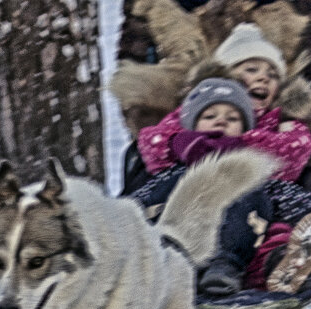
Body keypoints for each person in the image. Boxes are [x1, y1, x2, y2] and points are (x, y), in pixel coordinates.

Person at [131, 24, 311, 294]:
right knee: (172, 189)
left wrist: (236, 148)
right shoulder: (186, 123)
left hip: (250, 223)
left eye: (272, 74)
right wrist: (186, 145)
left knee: (262, 210)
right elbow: (154, 147)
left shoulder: (281, 123)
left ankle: (281, 265)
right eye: (251, 70)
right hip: (184, 220)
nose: (263, 78)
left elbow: (290, 162)